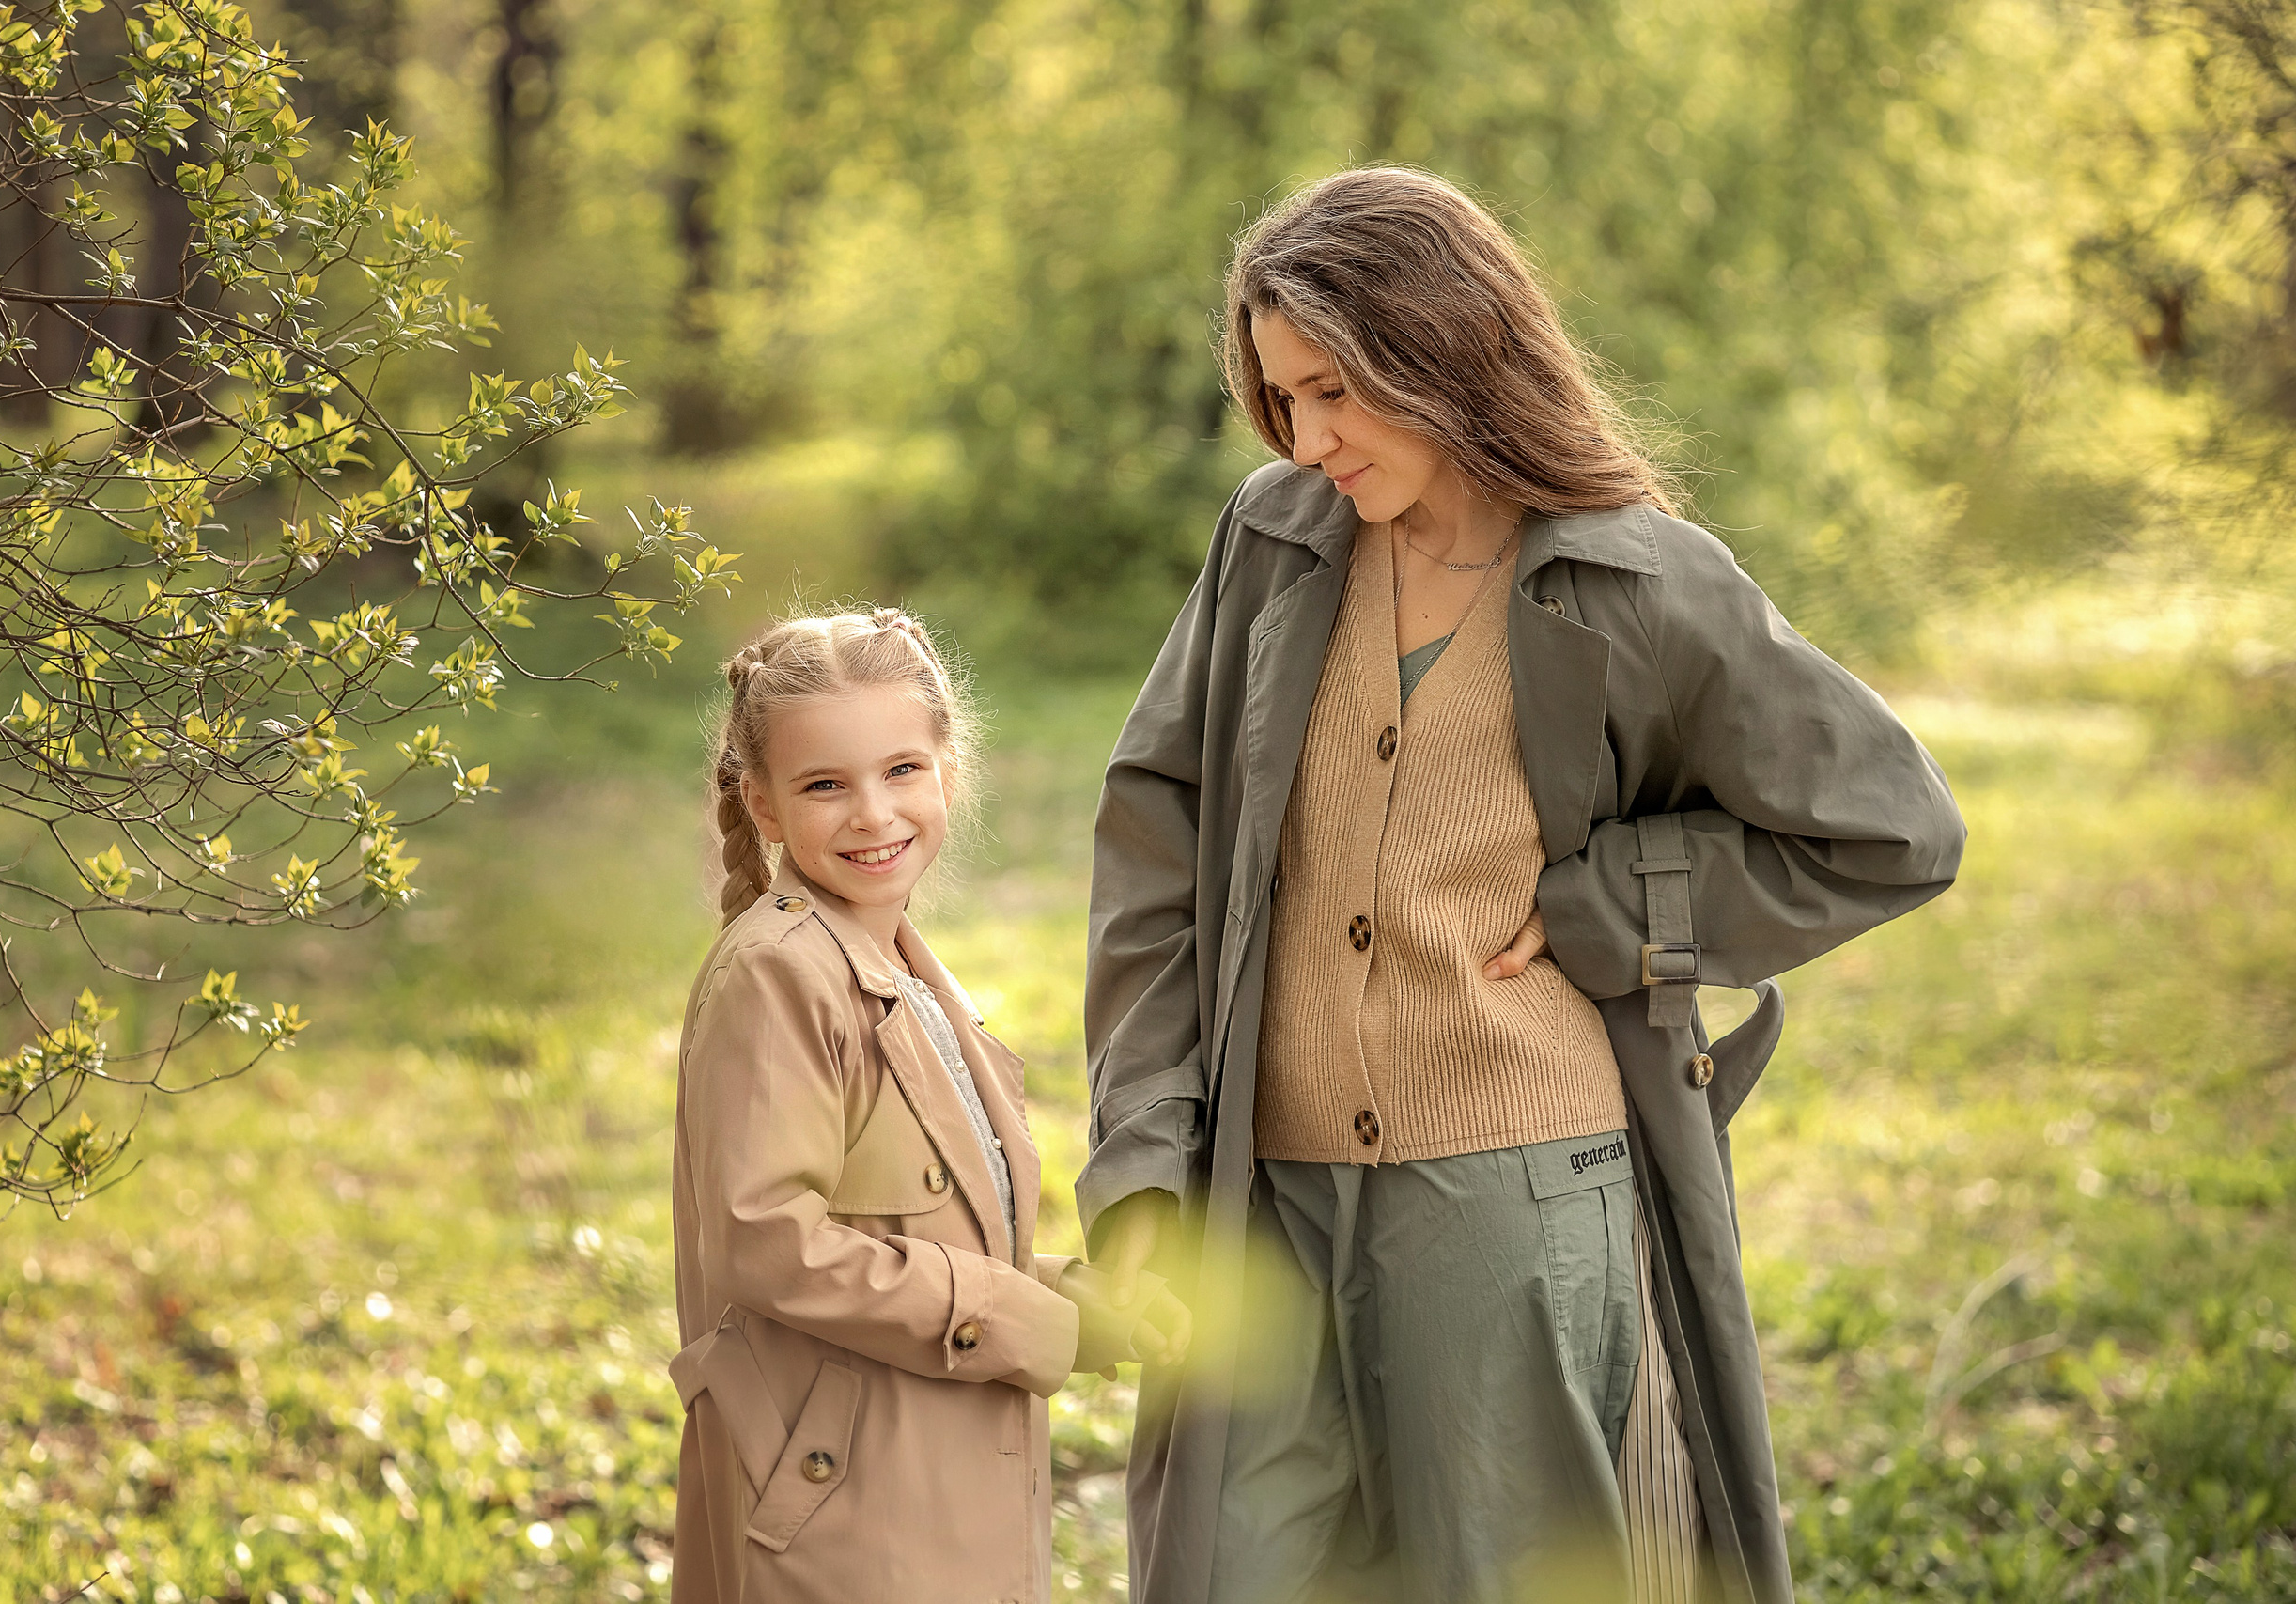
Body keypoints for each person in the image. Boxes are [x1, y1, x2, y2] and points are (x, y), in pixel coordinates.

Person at [1078, 168, 1967, 1604]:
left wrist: (1606, 904)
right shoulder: (1276, 539)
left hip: (1514, 1203)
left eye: (1337, 392)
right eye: (1283, 398)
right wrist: (1139, 1162)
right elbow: (1159, 837)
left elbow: (1892, 826)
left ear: (1440, 348)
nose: (1308, 438)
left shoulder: (1641, 582)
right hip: (1266, 1197)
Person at [668, 608, 1189, 1603]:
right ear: (764, 806)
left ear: (948, 772)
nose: (873, 813)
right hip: (850, 1514)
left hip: (941, 1489)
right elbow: (766, 1240)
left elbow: (911, 1230)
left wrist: (1077, 1303)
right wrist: (1013, 1318)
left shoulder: (899, 968)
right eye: (826, 784)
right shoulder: (778, 974)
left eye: (901, 770)